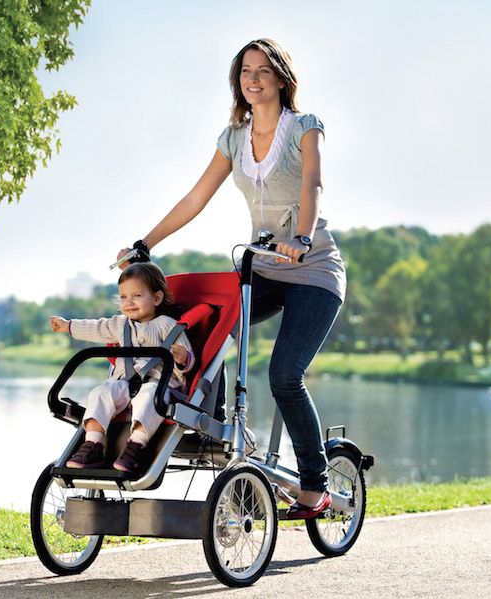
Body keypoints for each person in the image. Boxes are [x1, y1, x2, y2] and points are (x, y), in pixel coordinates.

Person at [116, 39, 346, 518]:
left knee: (284, 375)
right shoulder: (234, 138)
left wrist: (300, 238)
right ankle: (210, 424)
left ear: (282, 78)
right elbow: (195, 198)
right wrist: (146, 245)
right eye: (246, 71)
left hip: (314, 270)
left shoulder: (306, 128)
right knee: (206, 324)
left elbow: (312, 185)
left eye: (264, 71)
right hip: (261, 267)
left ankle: (316, 485)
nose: (254, 79)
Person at [49, 262, 195, 476]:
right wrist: (68, 326)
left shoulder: (167, 325)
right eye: (123, 297)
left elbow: (189, 362)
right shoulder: (120, 324)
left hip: (159, 386)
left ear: (156, 298)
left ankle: (136, 445)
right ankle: (93, 445)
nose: (129, 302)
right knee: (101, 392)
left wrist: (184, 359)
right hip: (125, 384)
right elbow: (95, 328)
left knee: (148, 396)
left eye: (136, 296)